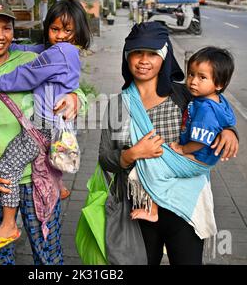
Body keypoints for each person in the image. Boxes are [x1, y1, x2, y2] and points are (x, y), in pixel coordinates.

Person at [0, 0, 87, 265]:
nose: (0, 35)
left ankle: (56, 185)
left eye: (7, 28)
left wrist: (77, 99)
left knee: (48, 257)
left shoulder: (33, 60)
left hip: (35, 179)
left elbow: (74, 89)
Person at [99, 22, 239, 265]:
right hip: (140, 211)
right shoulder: (118, 106)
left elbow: (215, 112)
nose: (144, 60)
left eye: (152, 53)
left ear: (165, 57)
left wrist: (230, 132)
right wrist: (130, 154)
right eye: (136, 53)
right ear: (126, 56)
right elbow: (104, 157)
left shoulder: (185, 94)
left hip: (184, 209)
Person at [131, 46, 236, 222]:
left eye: (202, 77)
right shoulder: (218, 101)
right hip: (205, 158)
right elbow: (229, 121)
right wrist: (229, 130)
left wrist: (182, 149)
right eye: (191, 74)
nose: (193, 82)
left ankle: (153, 209)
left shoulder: (205, 109)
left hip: (197, 156)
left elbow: (200, 141)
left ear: (219, 84)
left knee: (153, 165)